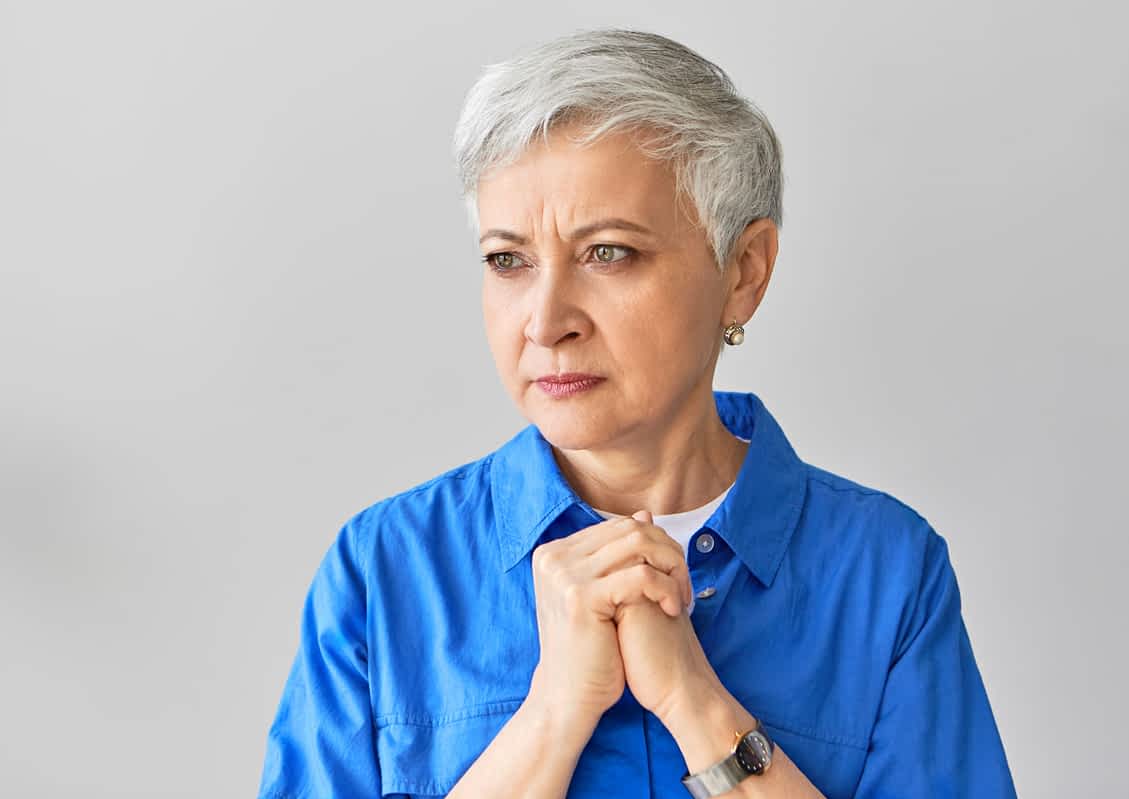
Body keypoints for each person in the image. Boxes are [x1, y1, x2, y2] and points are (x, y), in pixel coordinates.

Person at [256, 28, 1018, 799]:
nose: (546, 320)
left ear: (743, 273)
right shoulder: (384, 571)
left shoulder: (885, 572)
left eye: (608, 252)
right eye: (507, 260)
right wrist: (551, 714)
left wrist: (695, 701)